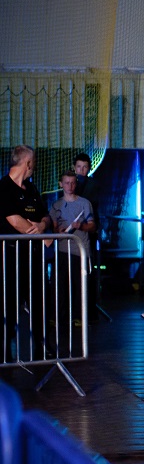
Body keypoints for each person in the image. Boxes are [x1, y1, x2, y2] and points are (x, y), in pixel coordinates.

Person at [0, 146, 52, 360]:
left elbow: (46, 216)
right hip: (10, 257)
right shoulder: (3, 187)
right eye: (34, 162)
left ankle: (42, 345)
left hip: (34, 257)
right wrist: (37, 232)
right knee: (8, 305)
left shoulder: (31, 188)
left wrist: (42, 226)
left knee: (40, 302)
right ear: (28, 163)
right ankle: (5, 351)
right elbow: (14, 220)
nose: (34, 166)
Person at [50, 171, 95, 320]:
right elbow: (54, 228)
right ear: (61, 184)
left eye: (72, 183)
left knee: (80, 286)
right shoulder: (56, 205)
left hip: (80, 251)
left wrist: (81, 226)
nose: (70, 186)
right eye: (67, 183)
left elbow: (92, 226)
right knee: (60, 286)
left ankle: (79, 317)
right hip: (62, 251)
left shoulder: (84, 203)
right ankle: (59, 317)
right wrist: (59, 231)